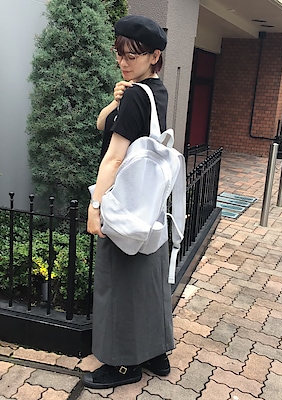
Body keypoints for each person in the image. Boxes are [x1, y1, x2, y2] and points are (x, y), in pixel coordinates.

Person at [83, 15, 173, 389]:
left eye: (132, 56)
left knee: (118, 284)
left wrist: (95, 206)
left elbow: (115, 157)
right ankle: (155, 353)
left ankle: (124, 364)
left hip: (123, 203)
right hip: (147, 206)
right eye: (119, 54)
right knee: (148, 281)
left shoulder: (138, 95)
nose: (123, 62)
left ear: (154, 56)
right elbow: (103, 125)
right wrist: (114, 101)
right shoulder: (154, 91)